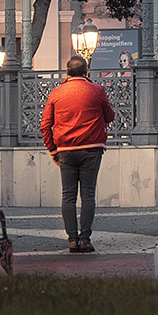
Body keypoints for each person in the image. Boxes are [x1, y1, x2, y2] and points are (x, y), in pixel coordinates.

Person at [41, 56, 115, 254]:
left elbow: (44, 125)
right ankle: (85, 239)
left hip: (66, 150)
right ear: (86, 72)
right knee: (88, 195)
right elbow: (110, 116)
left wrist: (52, 150)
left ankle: (72, 240)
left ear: (66, 73)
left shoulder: (56, 93)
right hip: (92, 148)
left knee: (68, 196)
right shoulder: (97, 90)